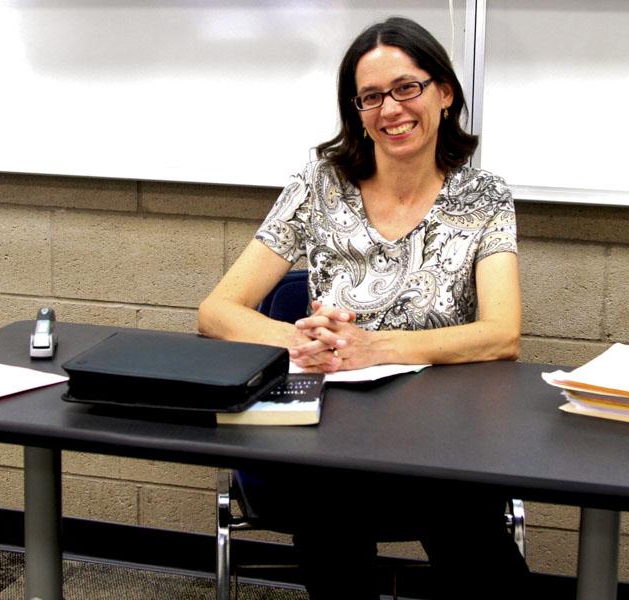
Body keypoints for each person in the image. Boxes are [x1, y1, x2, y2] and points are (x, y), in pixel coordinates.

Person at [199, 16, 527, 599]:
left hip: (441, 431)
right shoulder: (319, 185)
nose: (390, 109)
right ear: (356, 111)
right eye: (371, 96)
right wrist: (302, 341)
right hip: (332, 430)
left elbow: (501, 334)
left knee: (463, 524)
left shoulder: (484, 197)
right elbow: (218, 310)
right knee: (325, 501)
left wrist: (375, 346)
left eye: (407, 87)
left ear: (444, 94)